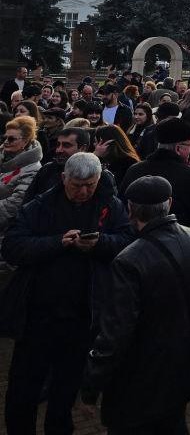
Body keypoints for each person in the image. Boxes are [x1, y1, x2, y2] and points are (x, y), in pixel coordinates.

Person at [81, 176, 190, 435]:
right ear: (169, 203)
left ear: (129, 209)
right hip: (181, 367)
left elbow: (115, 332)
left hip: (136, 378)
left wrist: (92, 385)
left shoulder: (128, 260)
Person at [2, 153, 131, 435]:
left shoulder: (110, 205)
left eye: (90, 184)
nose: (84, 191)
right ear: (64, 179)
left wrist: (100, 244)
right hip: (37, 316)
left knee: (65, 389)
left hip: (83, 317)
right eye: (77, 185)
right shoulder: (40, 205)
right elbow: (12, 246)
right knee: (23, 388)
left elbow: (128, 241)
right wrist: (56, 243)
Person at [120, 116, 190, 234]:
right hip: (174, 241)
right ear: (178, 148)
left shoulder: (135, 170)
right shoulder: (189, 175)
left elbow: (122, 208)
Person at [1, 116, 44, 255]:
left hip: (7, 232)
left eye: (12, 139)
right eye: (5, 138)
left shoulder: (32, 168)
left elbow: (16, 203)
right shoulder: (4, 157)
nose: (6, 142)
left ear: (25, 142)